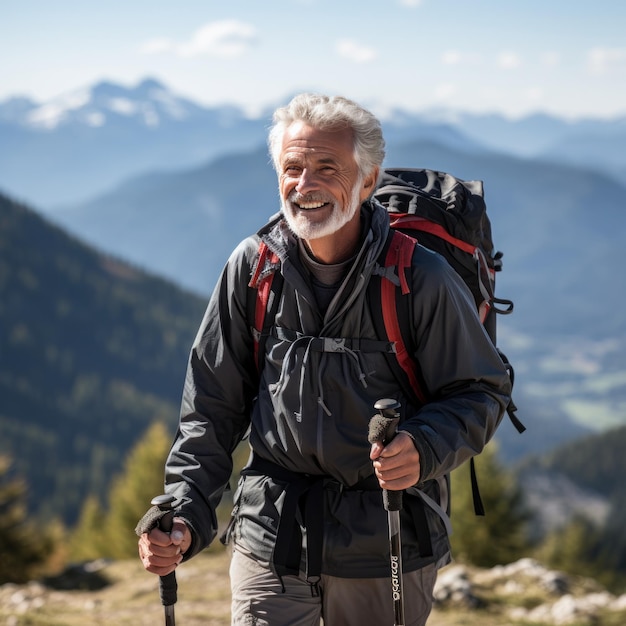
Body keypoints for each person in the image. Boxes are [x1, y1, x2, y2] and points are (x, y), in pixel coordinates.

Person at [138, 93, 512, 625]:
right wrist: (185, 511)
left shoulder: (420, 278)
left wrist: (423, 447)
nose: (304, 184)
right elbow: (212, 409)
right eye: (292, 167)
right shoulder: (253, 267)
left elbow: (482, 389)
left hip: (385, 549)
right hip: (271, 539)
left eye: (326, 167)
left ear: (367, 180)